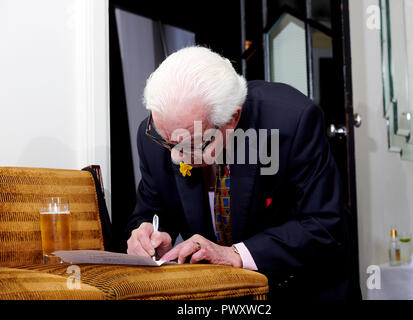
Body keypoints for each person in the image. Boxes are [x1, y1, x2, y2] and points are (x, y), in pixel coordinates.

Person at [125, 46, 353, 299]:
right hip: (218, 294)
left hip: (304, 285)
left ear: (232, 119)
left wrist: (234, 254)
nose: (176, 158)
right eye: (168, 142)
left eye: (192, 145)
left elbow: (322, 224)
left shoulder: (291, 121)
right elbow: (150, 211)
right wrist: (150, 235)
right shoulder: (154, 136)